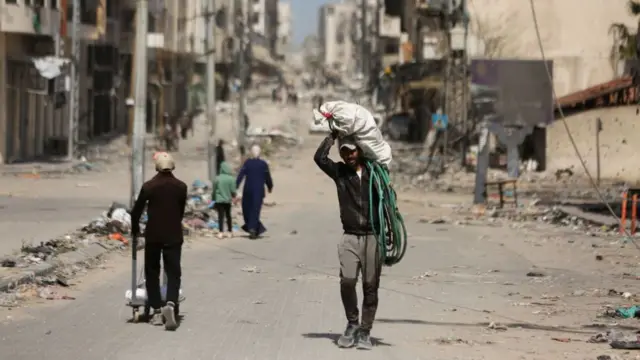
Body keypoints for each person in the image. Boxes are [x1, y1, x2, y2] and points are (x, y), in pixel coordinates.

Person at [313, 133, 382, 350]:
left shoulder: (375, 172)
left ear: (359, 150)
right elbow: (319, 159)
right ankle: (352, 323)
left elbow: (388, 202)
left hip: (373, 236)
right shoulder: (340, 173)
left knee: (370, 286)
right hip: (350, 236)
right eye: (344, 151)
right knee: (348, 281)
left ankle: (365, 330)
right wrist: (331, 137)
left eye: (352, 150)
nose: (348, 155)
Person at [131, 152, 187, 331]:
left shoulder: (149, 186)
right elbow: (180, 210)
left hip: (153, 235)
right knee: (173, 272)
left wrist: (135, 230)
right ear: (173, 166)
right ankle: (170, 303)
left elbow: (136, 211)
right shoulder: (181, 187)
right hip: (173, 235)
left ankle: (156, 310)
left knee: (152, 272)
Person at [236, 144, 273, 239]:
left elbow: (240, 175)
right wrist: (270, 186)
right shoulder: (263, 164)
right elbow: (267, 177)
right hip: (258, 191)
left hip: (248, 190)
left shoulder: (247, 163)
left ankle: (252, 228)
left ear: (251, 153)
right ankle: (254, 228)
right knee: (255, 210)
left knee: (247, 209)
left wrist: (235, 186)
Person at [213, 161, 237, 239]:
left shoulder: (217, 178)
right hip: (227, 200)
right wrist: (234, 197)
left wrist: (213, 198)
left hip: (219, 200)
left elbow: (214, 190)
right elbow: (233, 190)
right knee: (228, 216)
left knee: (220, 216)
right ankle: (230, 232)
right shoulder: (231, 179)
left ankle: (221, 232)